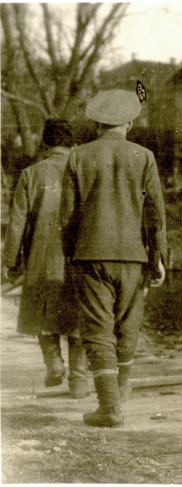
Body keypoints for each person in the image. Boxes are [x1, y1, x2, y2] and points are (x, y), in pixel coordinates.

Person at [60, 89, 167, 427]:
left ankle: (109, 408)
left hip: (91, 255)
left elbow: (67, 216)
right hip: (134, 256)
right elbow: (155, 215)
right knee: (128, 326)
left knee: (98, 331)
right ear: (129, 124)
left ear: (96, 124)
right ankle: (119, 392)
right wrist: (158, 258)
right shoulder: (145, 156)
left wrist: (69, 253)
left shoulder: (78, 157)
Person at [2, 119, 91, 399]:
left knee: (42, 313)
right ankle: (79, 379)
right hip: (80, 257)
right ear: (73, 144)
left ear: (45, 144)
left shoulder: (31, 174)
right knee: (79, 318)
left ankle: (53, 363)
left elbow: (17, 223)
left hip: (41, 255)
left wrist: (10, 261)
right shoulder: (85, 172)